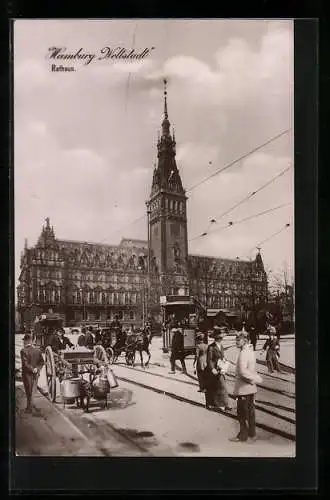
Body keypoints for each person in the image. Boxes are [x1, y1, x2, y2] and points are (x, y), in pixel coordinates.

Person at [230, 332, 262, 442]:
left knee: (242, 413)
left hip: (244, 388)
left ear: (245, 340)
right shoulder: (250, 351)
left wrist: (253, 379)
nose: (236, 342)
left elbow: (243, 372)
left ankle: (245, 436)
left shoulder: (244, 353)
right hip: (250, 388)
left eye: (238, 340)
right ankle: (250, 434)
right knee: (250, 412)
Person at [205, 326, 232, 411]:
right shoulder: (211, 347)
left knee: (221, 386)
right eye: (219, 338)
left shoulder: (221, 346)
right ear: (216, 338)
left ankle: (225, 404)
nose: (221, 339)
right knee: (215, 387)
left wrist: (224, 362)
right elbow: (209, 360)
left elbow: (222, 357)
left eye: (221, 338)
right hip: (213, 370)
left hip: (220, 368)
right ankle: (215, 403)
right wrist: (212, 369)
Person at [20, 333, 44, 413]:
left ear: (26, 341)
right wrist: (37, 369)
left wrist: (32, 369)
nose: (23, 343)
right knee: (33, 390)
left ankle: (29, 409)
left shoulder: (23, 351)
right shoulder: (37, 350)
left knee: (28, 391)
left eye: (24, 341)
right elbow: (42, 362)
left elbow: (25, 363)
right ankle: (30, 407)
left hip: (27, 374)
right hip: (36, 374)